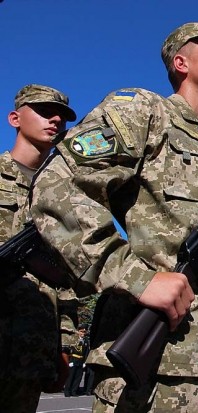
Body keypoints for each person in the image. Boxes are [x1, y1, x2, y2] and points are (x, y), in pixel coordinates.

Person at [30, 22, 198, 412]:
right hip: (161, 364)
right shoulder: (144, 111)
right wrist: (135, 277)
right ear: (180, 62)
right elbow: (57, 188)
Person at [0, 84, 78, 413]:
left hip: (30, 351)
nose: (56, 120)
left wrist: (65, 344)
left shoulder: (62, 195)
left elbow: (66, 275)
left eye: (62, 117)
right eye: (45, 112)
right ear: (15, 119)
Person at [65, 324, 90, 397]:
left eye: (84, 332)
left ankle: (74, 391)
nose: (83, 333)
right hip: (73, 359)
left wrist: (85, 362)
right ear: (78, 331)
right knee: (70, 376)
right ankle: (67, 391)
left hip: (81, 360)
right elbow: (69, 350)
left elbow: (86, 352)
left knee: (78, 377)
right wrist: (70, 361)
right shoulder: (73, 339)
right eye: (81, 331)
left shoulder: (86, 341)